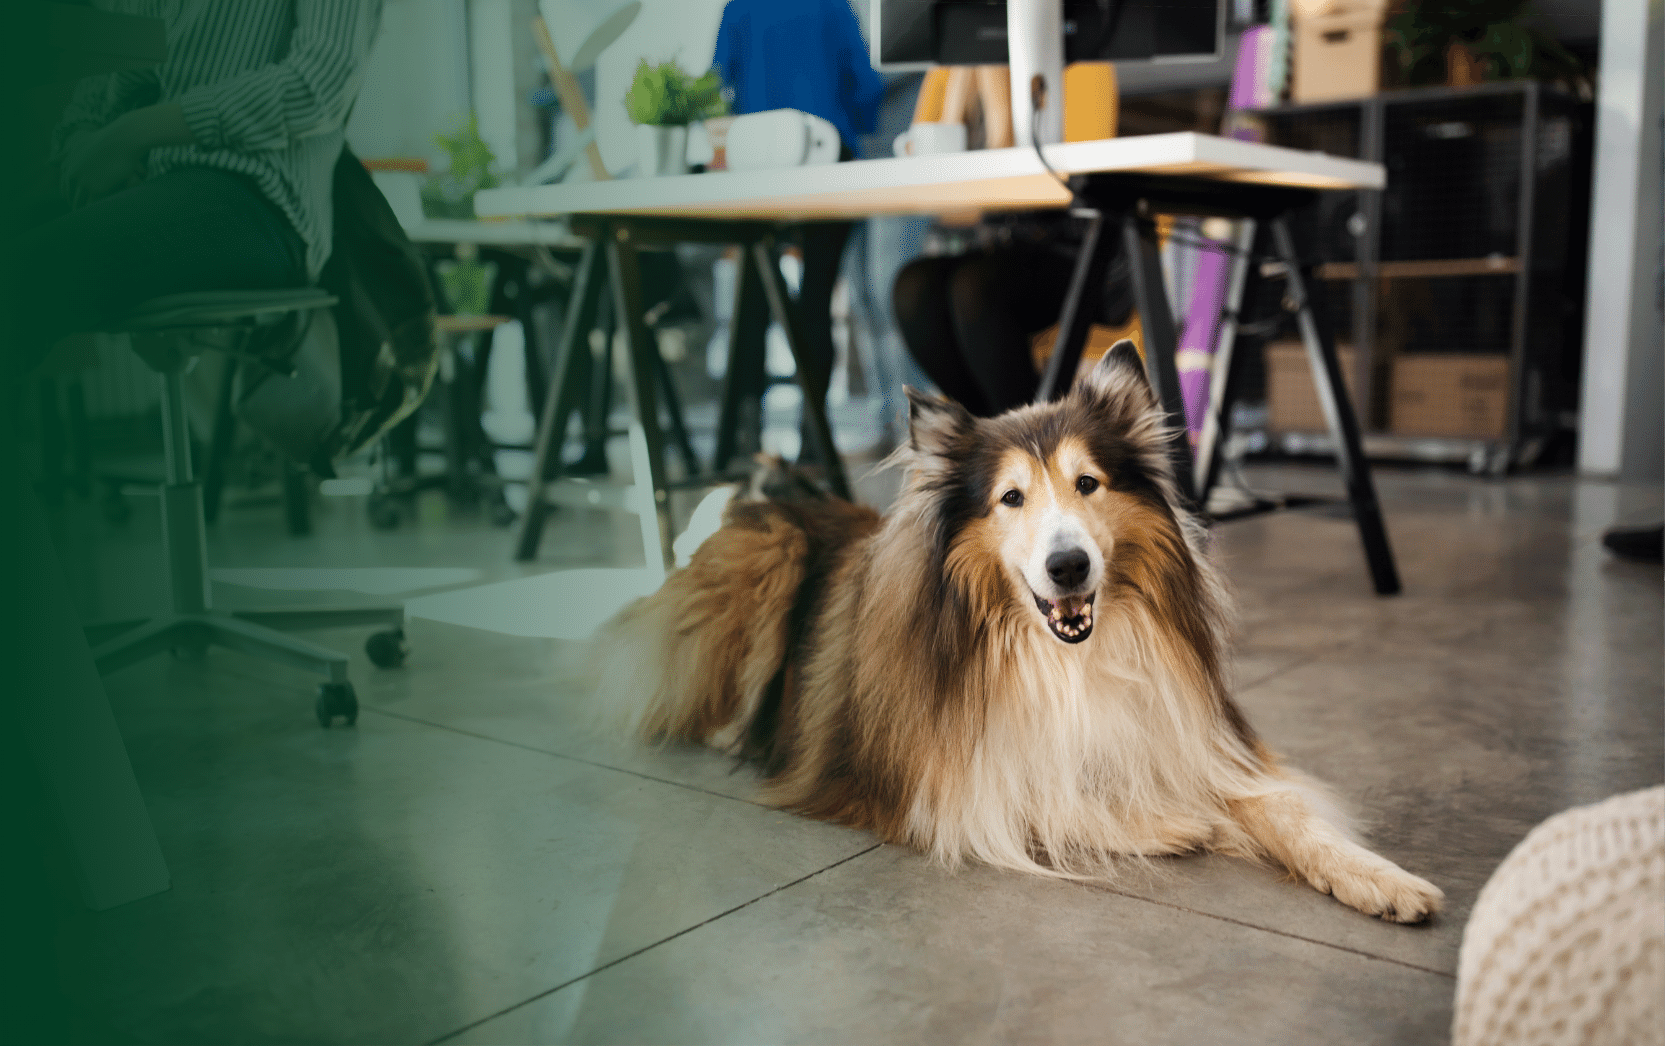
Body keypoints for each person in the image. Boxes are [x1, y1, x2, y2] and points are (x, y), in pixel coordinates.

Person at [2, 0, 383, 381]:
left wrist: (133, 134)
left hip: (257, 196)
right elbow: (100, 83)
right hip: (139, 175)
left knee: (32, 272)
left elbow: (320, 82)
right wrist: (83, 140)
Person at [711, 0, 882, 460]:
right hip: (829, 156)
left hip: (761, 163)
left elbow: (718, 86)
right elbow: (866, 94)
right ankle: (813, 439)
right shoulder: (834, 6)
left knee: (753, 295)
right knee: (817, 299)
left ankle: (742, 438)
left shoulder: (740, 7)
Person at [892, 214, 1134, 417]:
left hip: (1092, 249)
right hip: (1011, 244)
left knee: (975, 289)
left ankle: (1026, 441)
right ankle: (988, 436)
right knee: (913, 287)